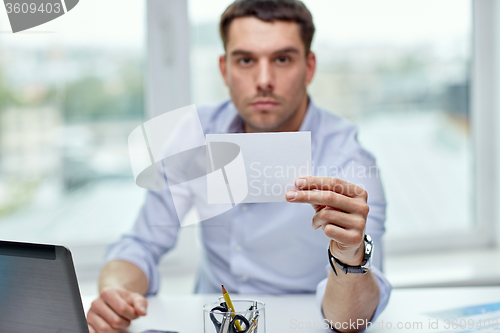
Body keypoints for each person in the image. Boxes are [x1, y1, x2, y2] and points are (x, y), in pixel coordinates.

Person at [86, 1, 392, 332]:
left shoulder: (349, 162)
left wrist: (350, 254)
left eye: (282, 59)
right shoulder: (197, 134)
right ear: (224, 69)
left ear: (309, 67)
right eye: (246, 60)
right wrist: (115, 292)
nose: (264, 80)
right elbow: (141, 243)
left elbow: (351, 319)